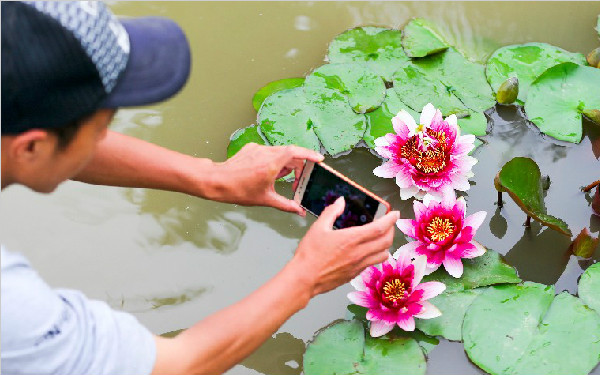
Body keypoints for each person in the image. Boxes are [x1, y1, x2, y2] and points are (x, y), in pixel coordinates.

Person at [1, 2, 399, 374]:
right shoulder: (14, 309)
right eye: (103, 126)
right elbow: (174, 364)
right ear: (33, 145)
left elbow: (57, 145)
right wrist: (307, 276)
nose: (106, 133)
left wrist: (210, 176)